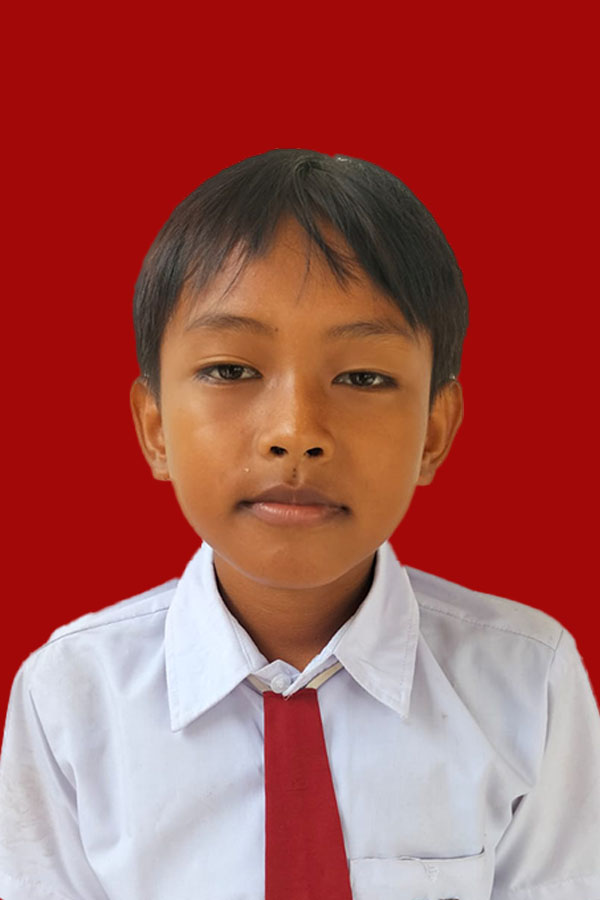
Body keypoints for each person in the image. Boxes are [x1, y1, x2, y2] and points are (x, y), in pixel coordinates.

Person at [0, 149, 598, 900]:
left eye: (363, 376)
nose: (295, 431)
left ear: (434, 432)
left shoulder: (527, 684)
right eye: (231, 370)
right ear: (154, 428)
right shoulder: (70, 698)